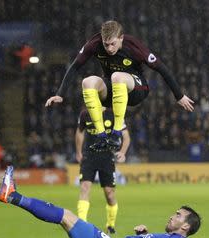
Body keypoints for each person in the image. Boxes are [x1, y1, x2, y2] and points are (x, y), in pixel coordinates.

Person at [0, 166, 201, 238]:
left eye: (179, 215)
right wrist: (142, 237)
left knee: (67, 217)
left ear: (186, 226)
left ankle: (12, 196)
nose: (173, 216)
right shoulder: (166, 237)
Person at [45, 20, 195, 152]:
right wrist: (60, 93)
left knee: (117, 76)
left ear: (121, 38)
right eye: (106, 44)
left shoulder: (134, 46)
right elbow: (75, 66)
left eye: (113, 44)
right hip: (113, 90)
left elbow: (161, 68)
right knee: (88, 82)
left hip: (137, 89)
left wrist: (179, 95)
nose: (109, 48)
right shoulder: (94, 44)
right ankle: (102, 136)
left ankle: (117, 133)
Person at [75, 107, 131, 234]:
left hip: (107, 158)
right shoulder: (85, 113)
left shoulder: (115, 114)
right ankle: (81, 224)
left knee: (110, 194)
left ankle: (110, 225)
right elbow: (79, 132)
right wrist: (78, 152)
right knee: (84, 187)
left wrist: (122, 152)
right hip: (89, 156)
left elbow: (126, 136)